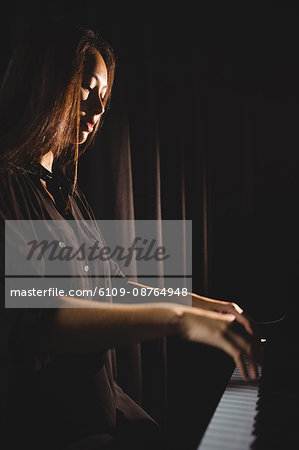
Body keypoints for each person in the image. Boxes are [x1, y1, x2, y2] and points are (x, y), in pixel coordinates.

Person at [0, 20, 261, 450]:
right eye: (87, 87)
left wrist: (212, 309)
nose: (99, 108)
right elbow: (36, 321)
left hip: (106, 411)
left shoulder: (65, 193)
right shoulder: (8, 185)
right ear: (46, 79)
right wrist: (179, 322)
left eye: (105, 95)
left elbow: (114, 288)